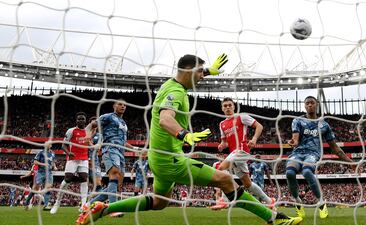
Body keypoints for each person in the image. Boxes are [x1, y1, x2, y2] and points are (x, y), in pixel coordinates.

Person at [76, 53, 302, 225]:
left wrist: (211, 70)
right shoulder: (177, 93)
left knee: (158, 203)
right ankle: (275, 218)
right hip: (171, 160)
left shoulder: (171, 84)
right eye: (201, 72)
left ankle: (102, 208)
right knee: (225, 179)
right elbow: (166, 119)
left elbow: (180, 88)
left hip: (159, 158)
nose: (203, 77)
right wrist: (184, 134)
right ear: (188, 70)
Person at [286, 96, 355, 219]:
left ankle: (321, 203)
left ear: (317, 104)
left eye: (312, 103)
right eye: (307, 103)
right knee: (290, 173)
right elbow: (295, 139)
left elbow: (335, 148)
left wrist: (350, 162)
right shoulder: (297, 121)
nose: (310, 105)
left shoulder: (324, 125)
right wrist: (293, 142)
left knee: (307, 171)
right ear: (304, 105)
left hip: (313, 154)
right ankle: (298, 202)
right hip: (297, 153)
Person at [217, 97, 275, 207]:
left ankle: (224, 200)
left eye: (230, 105)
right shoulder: (222, 124)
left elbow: (259, 126)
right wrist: (221, 146)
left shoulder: (241, 117)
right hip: (234, 153)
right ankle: (269, 201)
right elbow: (224, 142)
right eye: (225, 106)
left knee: (221, 168)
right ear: (222, 109)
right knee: (247, 184)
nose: (228, 107)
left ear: (234, 107)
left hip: (242, 150)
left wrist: (254, 139)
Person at [82, 100, 135, 218]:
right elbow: (91, 125)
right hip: (110, 149)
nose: (123, 106)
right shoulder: (108, 117)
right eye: (120, 104)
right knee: (114, 175)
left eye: (125, 105)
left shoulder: (123, 123)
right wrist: (87, 135)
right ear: (114, 106)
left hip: (121, 152)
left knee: (116, 184)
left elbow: (124, 142)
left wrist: (136, 149)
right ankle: (112, 209)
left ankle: (87, 205)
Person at [51, 112, 90, 214]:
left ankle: (83, 205)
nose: (81, 120)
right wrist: (68, 152)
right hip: (72, 159)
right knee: (68, 178)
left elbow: (89, 144)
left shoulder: (88, 131)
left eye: (82, 119)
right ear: (76, 120)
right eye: (79, 119)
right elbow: (63, 145)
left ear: (85, 121)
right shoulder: (71, 131)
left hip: (84, 159)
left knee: (84, 179)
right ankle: (57, 202)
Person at [25, 144, 57, 210]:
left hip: (49, 173)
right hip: (41, 172)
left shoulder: (52, 154)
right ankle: (27, 202)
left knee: (48, 187)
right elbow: (35, 162)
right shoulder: (41, 153)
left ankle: (45, 205)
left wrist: (54, 166)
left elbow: (53, 162)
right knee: (35, 189)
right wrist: (43, 164)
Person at [86, 116, 103, 194]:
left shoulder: (99, 136)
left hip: (94, 161)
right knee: (85, 183)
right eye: (93, 122)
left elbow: (98, 148)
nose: (94, 124)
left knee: (98, 183)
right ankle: (84, 202)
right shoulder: (84, 134)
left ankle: (97, 201)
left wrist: (89, 142)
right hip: (84, 161)